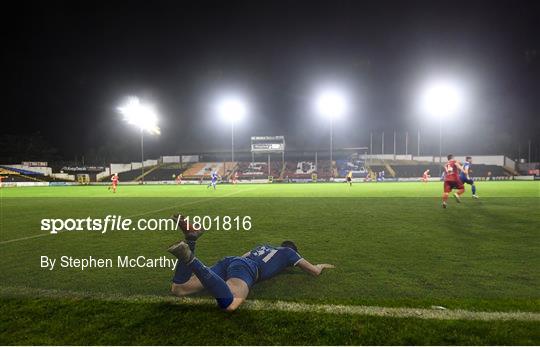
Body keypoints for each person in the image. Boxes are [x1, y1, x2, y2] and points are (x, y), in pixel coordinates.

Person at [167, 214, 335, 312]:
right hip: (247, 268)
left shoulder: (264, 247)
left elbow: (243, 256)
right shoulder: (289, 253)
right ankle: (190, 258)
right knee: (231, 303)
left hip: (232, 261)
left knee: (179, 289)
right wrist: (320, 266)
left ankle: (191, 239)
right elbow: (314, 271)